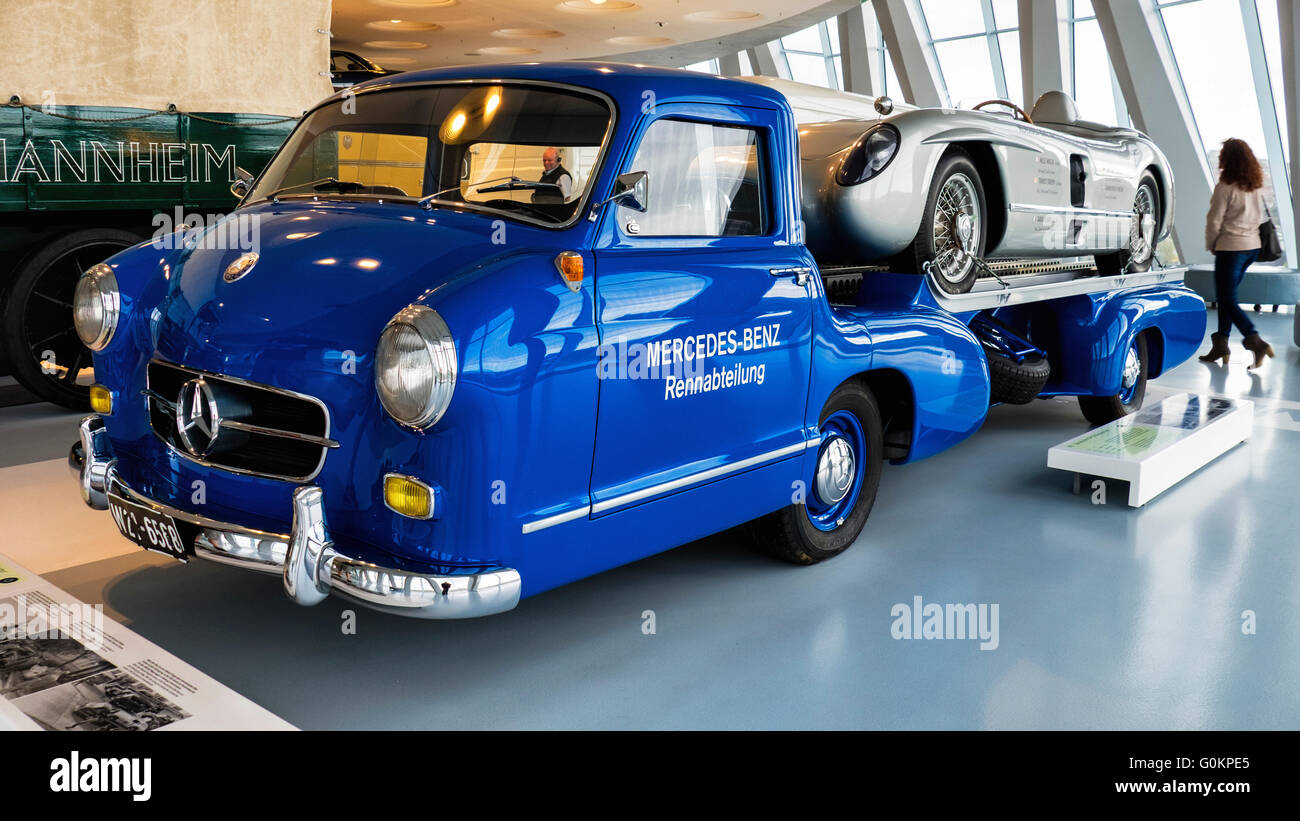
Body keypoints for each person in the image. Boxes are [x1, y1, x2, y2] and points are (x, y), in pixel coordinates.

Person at [1199, 138, 1273, 368]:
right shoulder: (1255, 186)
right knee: (1226, 296)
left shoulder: (1225, 187)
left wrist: (1212, 243)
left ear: (1226, 159)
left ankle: (1254, 340)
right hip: (1251, 247)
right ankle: (1220, 345)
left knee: (1227, 298)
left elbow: (1213, 220)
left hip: (1231, 248)